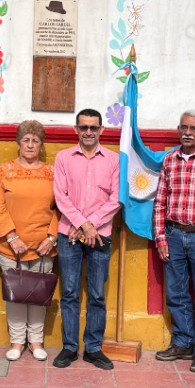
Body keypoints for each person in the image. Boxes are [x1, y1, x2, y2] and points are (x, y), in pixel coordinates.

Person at [52, 108, 121, 371]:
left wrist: (90, 226)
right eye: (84, 127)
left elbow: (116, 198)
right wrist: (82, 224)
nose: (89, 132)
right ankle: (70, 347)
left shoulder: (113, 160)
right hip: (69, 233)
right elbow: (60, 196)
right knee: (69, 293)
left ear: (102, 129)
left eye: (93, 127)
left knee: (97, 294)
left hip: (99, 236)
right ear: (76, 130)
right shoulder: (63, 158)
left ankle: (93, 348)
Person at [152, 110, 195, 373]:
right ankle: (183, 342)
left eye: (194, 128)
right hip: (173, 234)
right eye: (183, 127)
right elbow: (160, 201)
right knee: (176, 293)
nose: (188, 132)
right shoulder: (169, 160)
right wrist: (160, 237)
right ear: (178, 129)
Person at [0, 120, 59, 362]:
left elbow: (60, 207)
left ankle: (36, 341)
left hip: (43, 245)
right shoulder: (4, 170)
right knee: (16, 293)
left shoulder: (51, 173)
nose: (30, 145)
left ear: (41, 144)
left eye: (35, 140)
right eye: (26, 140)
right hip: (11, 246)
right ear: (18, 143)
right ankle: (17, 342)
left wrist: (51, 237)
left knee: (39, 293)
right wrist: (12, 236)